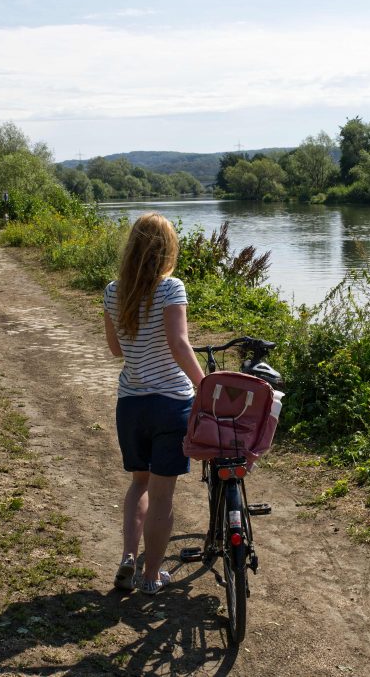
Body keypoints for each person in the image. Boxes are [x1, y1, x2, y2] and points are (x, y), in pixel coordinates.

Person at [103, 213, 205, 595]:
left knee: (138, 485)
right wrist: (204, 384)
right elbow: (180, 345)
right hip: (170, 404)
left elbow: (116, 349)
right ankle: (150, 578)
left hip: (131, 405)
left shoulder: (114, 291)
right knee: (163, 495)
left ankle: (129, 558)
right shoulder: (170, 288)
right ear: (166, 248)